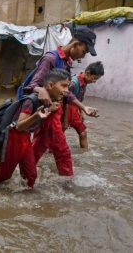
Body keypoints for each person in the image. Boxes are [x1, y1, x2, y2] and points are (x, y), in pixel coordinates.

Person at [22, 27, 99, 180]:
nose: (83, 56)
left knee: (39, 146)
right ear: (76, 44)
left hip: (53, 111)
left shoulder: (66, 63)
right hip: (46, 111)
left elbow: (67, 93)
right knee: (62, 150)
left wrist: (83, 107)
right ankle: (68, 183)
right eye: (84, 51)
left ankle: (24, 173)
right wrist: (40, 90)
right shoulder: (51, 58)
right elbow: (30, 86)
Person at [0, 69, 70, 188]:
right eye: (64, 86)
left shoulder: (48, 100)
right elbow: (19, 126)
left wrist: (49, 110)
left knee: (31, 176)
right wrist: (35, 116)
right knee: (2, 176)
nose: (66, 91)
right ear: (50, 85)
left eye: (68, 87)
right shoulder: (31, 100)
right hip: (13, 138)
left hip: (25, 138)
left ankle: (24, 199)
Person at [63, 61, 104, 149]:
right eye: (94, 78)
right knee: (58, 136)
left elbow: (79, 99)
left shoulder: (84, 82)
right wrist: (65, 120)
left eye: (96, 79)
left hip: (75, 111)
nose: (94, 81)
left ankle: (85, 155)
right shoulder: (74, 83)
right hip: (66, 111)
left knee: (83, 133)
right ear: (88, 73)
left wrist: (81, 112)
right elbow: (66, 101)